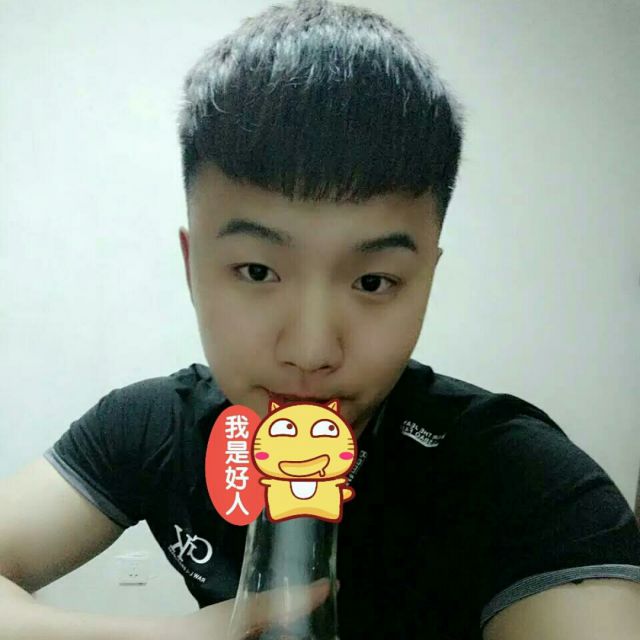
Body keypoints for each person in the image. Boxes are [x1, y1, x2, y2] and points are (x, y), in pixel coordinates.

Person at [1, 0, 639, 638]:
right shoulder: (151, 427)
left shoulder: (523, 481)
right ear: (194, 268)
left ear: (426, 279)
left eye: (372, 282)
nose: (310, 351)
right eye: (258, 271)